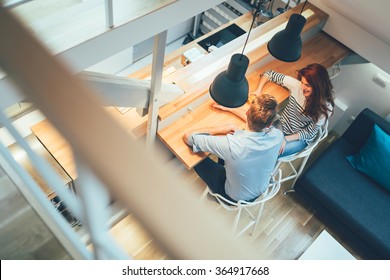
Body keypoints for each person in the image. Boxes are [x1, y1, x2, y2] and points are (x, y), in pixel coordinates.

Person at [183, 94, 283, 203]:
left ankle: (217, 196)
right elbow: (258, 123)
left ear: (247, 112)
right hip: (259, 190)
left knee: (194, 156)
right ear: (269, 125)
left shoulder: (232, 145)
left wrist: (221, 129)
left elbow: (188, 137)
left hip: (233, 198)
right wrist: (228, 108)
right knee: (227, 155)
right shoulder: (277, 135)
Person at [254, 64, 334, 156]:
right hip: (281, 125)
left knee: (271, 152)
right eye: (302, 82)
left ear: (318, 87)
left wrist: (285, 139)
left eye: (307, 85)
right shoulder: (297, 86)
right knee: (258, 141)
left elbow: (309, 133)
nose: (302, 88)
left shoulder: (326, 108)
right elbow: (269, 73)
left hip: (299, 138)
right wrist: (258, 90)